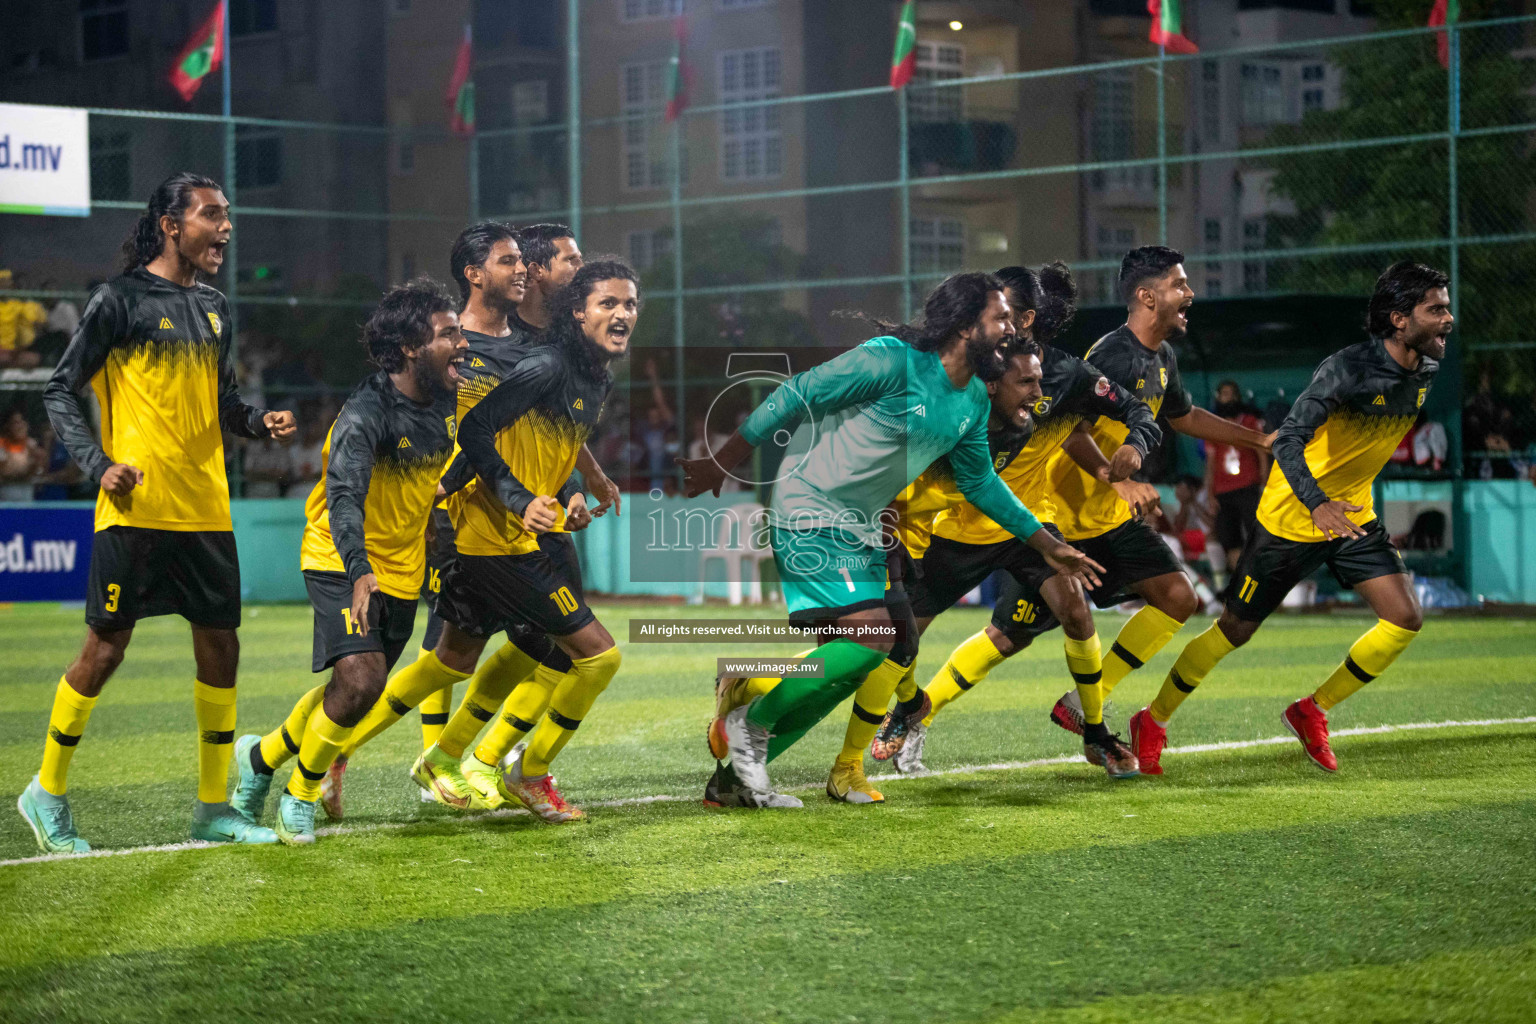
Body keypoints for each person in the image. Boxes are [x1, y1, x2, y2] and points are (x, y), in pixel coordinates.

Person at [678, 271, 1104, 809]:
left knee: (846, 662)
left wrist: (1044, 543)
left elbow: (979, 483)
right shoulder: (891, 360)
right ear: (967, 325)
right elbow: (798, 392)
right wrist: (724, 462)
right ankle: (748, 723)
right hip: (808, 503)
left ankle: (733, 780)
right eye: (999, 317)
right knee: (874, 640)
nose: (1010, 327)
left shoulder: (972, 398)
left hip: (859, 524)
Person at [19, 172, 296, 853]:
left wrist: (259, 423)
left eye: (227, 214)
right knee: (105, 650)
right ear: (171, 225)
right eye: (210, 215)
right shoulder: (118, 300)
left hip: (204, 508)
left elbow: (223, 403)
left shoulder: (214, 306)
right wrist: (98, 463)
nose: (225, 227)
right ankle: (45, 791)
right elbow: (60, 389)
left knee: (221, 648)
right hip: (136, 507)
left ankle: (213, 809)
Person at [1131, 262, 1450, 774]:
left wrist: (1336, 505)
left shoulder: (1428, 368)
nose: (1447, 319)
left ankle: (1311, 711)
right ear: (1398, 318)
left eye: (1445, 307)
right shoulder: (1345, 369)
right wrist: (1316, 502)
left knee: (1406, 617)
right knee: (1233, 630)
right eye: (1435, 309)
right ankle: (1153, 719)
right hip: (1290, 518)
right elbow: (1292, 440)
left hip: (1351, 517)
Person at [228, 279, 466, 844]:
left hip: (401, 570)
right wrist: (360, 569)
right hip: (340, 558)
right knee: (362, 678)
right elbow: (344, 498)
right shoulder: (365, 414)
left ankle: (259, 759)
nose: (461, 343)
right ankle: (300, 794)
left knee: (356, 690)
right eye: (448, 334)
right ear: (409, 347)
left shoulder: (449, 405)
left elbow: (447, 474)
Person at [1021, 248, 1272, 772]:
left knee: (1177, 597)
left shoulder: (1161, 358)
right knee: (1009, 635)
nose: (1190, 294)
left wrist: (1258, 440)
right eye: (1180, 283)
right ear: (1147, 295)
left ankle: (1081, 706)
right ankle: (914, 714)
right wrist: (1123, 480)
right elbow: (1072, 434)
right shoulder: (1110, 355)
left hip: (1109, 515)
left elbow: (1182, 415)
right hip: (1066, 515)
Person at [417, 259, 637, 822]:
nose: (622, 313)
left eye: (630, 303)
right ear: (572, 304)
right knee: (591, 656)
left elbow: (550, 440)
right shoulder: (539, 360)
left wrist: (579, 486)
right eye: (607, 302)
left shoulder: (589, 372)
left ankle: (456, 758)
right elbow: (477, 431)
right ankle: (515, 768)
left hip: (533, 531)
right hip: (493, 531)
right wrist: (515, 498)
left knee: (507, 652)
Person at [1204, 380, 1269, 595]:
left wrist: (1264, 480)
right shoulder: (1213, 423)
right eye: (1223, 393)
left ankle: (1259, 586)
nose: (1228, 398)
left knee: (1255, 535)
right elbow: (1211, 462)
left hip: (1248, 486)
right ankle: (1238, 587)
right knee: (1229, 539)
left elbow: (1261, 451)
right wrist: (1210, 492)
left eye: (1231, 393)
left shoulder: (1249, 420)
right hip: (1223, 490)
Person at [1, 409, 42, 501]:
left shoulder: (31, 445)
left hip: (26, 494)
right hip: (6, 494)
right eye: (15, 423)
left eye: (21, 422)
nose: (19, 426)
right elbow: (5, 472)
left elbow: (38, 471)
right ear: (7, 426)